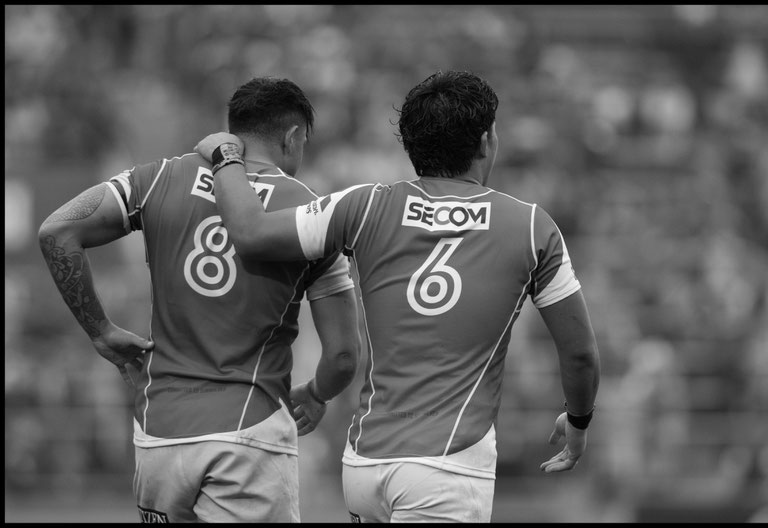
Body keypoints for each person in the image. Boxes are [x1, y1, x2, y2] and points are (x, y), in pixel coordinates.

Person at [195, 70, 600, 523]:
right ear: (486, 142)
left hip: (365, 462)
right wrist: (579, 421)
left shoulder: (363, 205)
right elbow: (580, 354)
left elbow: (250, 234)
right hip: (447, 466)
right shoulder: (531, 225)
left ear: (411, 147)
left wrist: (228, 157)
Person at [37, 76, 361, 522]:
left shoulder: (156, 178)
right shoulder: (311, 213)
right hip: (248, 429)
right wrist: (319, 393)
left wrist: (102, 332)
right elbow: (343, 356)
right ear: (293, 137)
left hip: (159, 432)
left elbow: (57, 231)